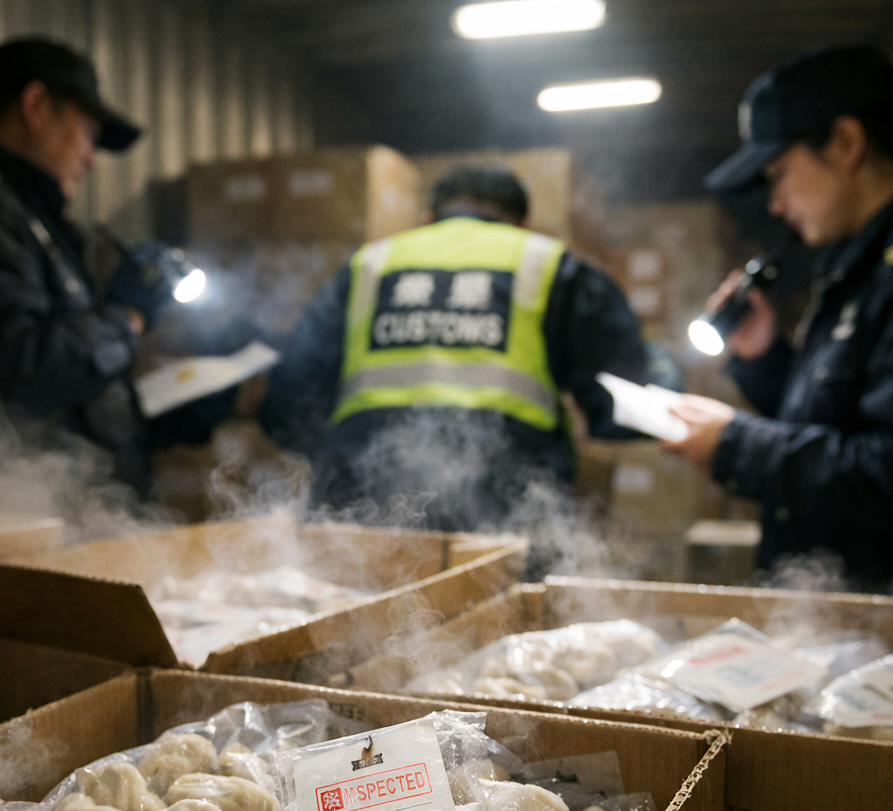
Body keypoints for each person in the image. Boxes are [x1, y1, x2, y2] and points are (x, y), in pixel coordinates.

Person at [664, 45, 893, 592]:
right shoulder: (861, 263)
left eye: (779, 175)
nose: (775, 203)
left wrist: (738, 446)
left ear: (846, 143)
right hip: (836, 611)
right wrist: (768, 361)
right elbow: (842, 424)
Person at [260, 165, 651, 550]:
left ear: (427, 219)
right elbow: (621, 402)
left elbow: (292, 398)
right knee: (497, 611)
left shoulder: (368, 265)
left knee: (353, 607)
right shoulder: (551, 265)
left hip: (364, 492)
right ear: (523, 224)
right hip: (506, 496)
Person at [0, 37, 225, 497]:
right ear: (36, 106)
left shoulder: (29, 219)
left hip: (59, 508)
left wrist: (159, 414)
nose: (90, 159)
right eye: (87, 133)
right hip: (10, 512)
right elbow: (6, 375)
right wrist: (125, 318)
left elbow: (64, 397)